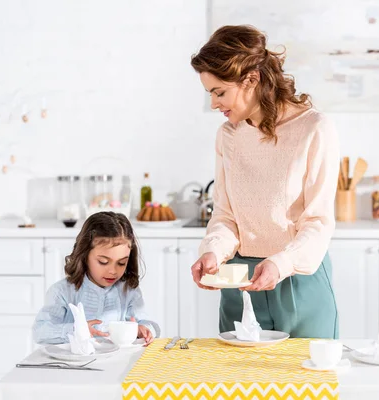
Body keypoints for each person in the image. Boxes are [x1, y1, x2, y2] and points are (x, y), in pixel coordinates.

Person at [190, 25, 340, 338]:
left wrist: (280, 263)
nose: (214, 103)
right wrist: (213, 252)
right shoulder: (228, 136)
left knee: (306, 383)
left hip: (298, 281)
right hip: (239, 284)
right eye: (210, 94)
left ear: (252, 79)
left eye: (220, 92)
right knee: (236, 386)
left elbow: (318, 222)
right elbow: (226, 216)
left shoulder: (314, 129)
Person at [33, 212, 159, 344]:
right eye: (103, 262)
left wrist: (144, 329)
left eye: (121, 263)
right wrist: (76, 329)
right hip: (73, 363)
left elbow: (147, 323)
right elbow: (40, 332)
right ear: (84, 255)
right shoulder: (62, 292)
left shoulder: (128, 291)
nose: (113, 271)